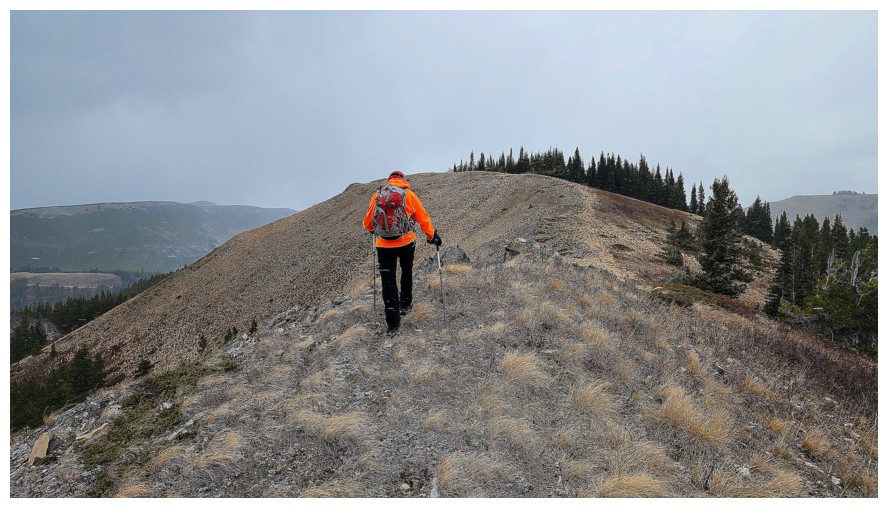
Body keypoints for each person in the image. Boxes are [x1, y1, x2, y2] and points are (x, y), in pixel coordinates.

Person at [363, 171, 442, 334]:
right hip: (406, 242)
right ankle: (405, 304)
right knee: (406, 271)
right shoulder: (409, 195)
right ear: (403, 180)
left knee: (388, 281)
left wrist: (374, 230)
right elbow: (423, 218)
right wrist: (432, 236)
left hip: (383, 245)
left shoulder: (377, 196)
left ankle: (393, 325)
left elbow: (367, 223)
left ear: (389, 181)